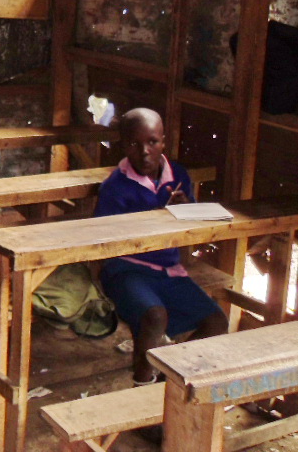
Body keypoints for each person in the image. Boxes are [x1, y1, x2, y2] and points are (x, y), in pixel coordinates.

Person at [94, 107, 228, 386]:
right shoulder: (115, 186)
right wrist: (149, 221)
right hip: (125, 269)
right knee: (155, 316)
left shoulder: (178, 175)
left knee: (216, 322)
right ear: (124, 146)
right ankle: (142, 384)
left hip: (169, 270)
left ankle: (169, 379)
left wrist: (186, 208)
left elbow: (192, 224)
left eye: (152, 142)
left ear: (163, 142)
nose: (145, 152)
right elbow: (101, 239)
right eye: (134, 144)